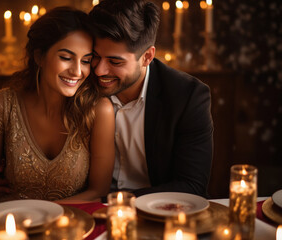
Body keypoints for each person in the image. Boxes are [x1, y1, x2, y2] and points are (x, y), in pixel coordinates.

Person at [0, 7, 115, 208]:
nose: (77, 71)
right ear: (39, 56)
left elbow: (98, 192)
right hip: (12, 224)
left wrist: (41, 212)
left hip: (71, 226)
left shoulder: (98, 111)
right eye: (66, 58)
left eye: (85, 61)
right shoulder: (4, 104)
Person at [89, 0, 213, 198]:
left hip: (156, 213)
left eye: (115, 61)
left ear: (147, 56)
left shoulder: (188, 97)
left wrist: (117, 203)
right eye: (95, 56)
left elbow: (192, 186)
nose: (99, 70)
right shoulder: (80, 83)